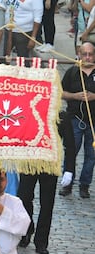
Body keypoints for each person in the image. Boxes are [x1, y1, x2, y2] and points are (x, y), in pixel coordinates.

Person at [17, 111, 75, 254]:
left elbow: (70, 144)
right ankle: (26, 231)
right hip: (29, 161)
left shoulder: (61, 115)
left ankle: (41, 241)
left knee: (47, 203)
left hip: (50, 164)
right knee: (23, 198)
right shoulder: (29, 111)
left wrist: (69, 169)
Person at [59, 41, 95, 198]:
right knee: (71, 152)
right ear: (79, 55)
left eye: (90, 54)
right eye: (84, 54)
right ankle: (68, 183)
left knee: (91, 155)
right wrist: (74, 96)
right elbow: (60, 92)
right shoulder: (72, 72)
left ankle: (85, 185)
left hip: (93, 121)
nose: (87, 57)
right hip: (74, 118)